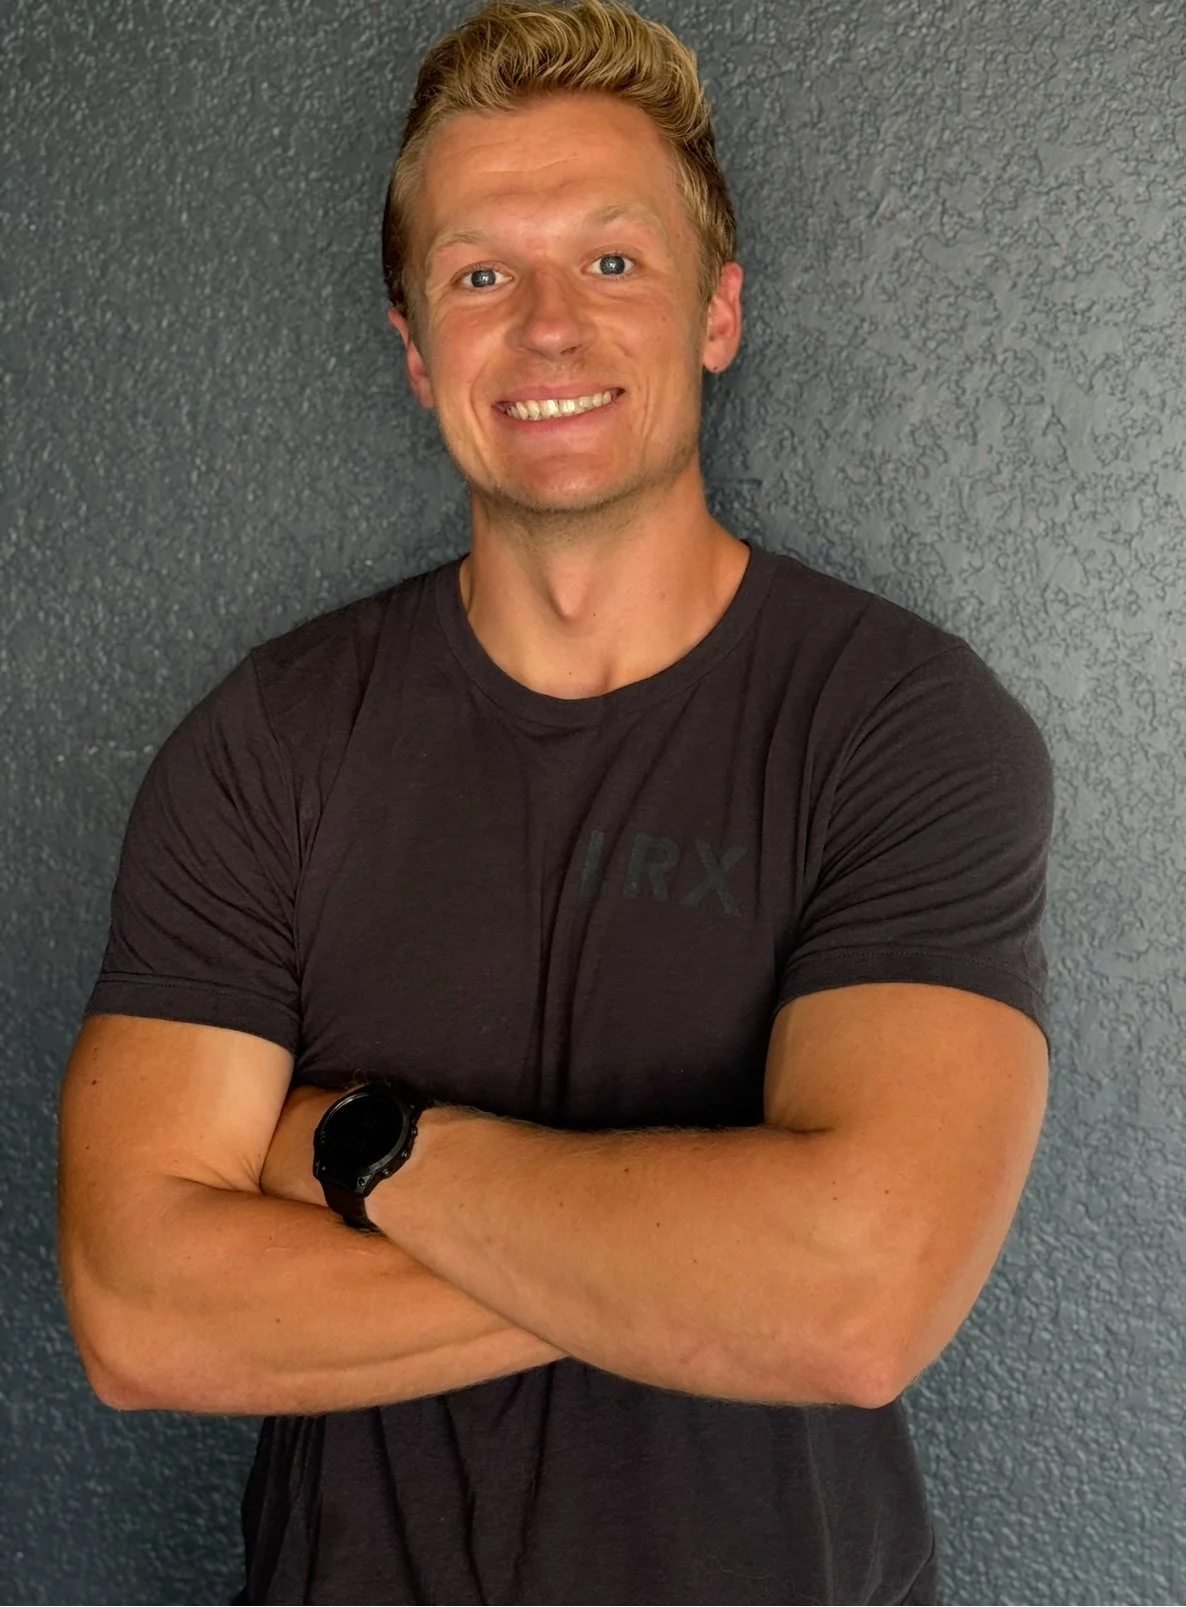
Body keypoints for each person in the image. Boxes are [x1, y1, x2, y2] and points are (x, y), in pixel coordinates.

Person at [56, 1, 1055, 1602]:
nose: (545, 327)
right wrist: (697, 1267)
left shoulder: (896, 723)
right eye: (476, 275)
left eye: (610, 261)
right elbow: (140, 1313)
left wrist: (354, 1150)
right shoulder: (269, 742)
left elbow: (855, 1301)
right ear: (411, 345)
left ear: (716, 310)